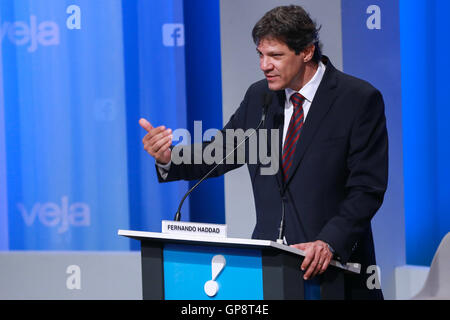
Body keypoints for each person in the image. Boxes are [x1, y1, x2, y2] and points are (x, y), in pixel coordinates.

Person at [139, 5, 388, 300]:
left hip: (332, 271)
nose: (264, 65)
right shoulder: (260, 97)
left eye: (275, 55)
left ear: (307, 52)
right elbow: (220, 151)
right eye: (260, 54)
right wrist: (170, 158)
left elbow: (366, 189)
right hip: (269, 273)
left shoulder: (357, 99)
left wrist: (328, 242)